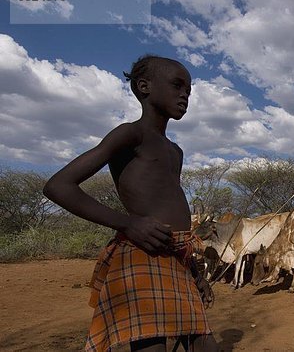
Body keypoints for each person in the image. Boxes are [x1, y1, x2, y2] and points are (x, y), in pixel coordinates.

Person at [43, 55, 217, 352]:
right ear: (144, 86)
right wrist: (129, 223)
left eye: (189, 89)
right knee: (152, 346)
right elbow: (58, 186)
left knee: (205, 346)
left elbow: (172, 211)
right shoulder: (130, 134)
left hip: (177, 260)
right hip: (142, 253)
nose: (185, 94)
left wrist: (195, 273)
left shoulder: (175, 151)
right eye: (177, 85)